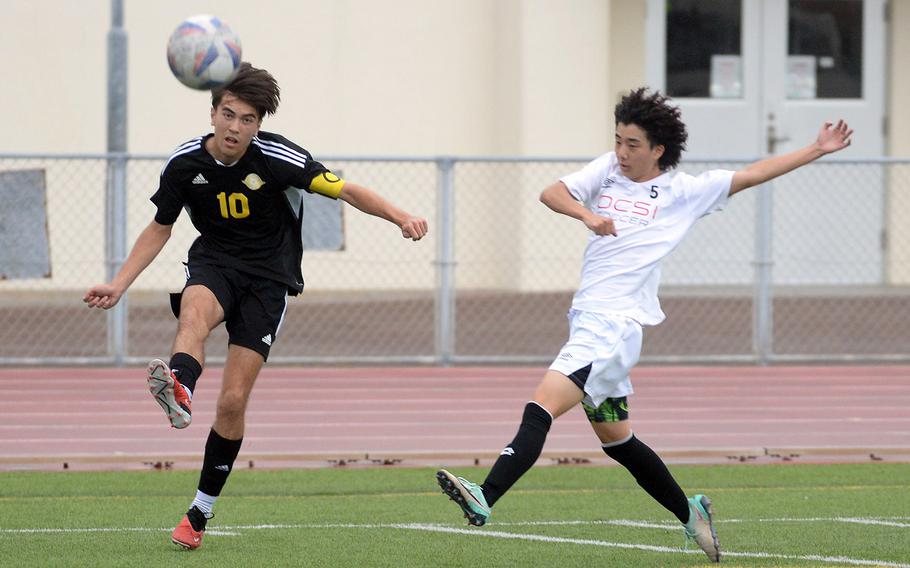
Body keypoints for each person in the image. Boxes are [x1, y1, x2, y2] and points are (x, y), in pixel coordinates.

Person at [436, 87, 852, 563]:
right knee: (619, 442)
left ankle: (486, 495)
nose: (621, 152)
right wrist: (587, 215)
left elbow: (752, 174)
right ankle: (690, 513)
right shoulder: (607, 171)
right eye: (618, 140)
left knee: (541, 407)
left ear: (658, 149)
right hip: (590, 321)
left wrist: (816, 149)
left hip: (612, 327)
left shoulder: (685, 193)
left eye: (633, 144)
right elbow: (551, 193)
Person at [83, 62, 428, 550]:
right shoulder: (185, 164)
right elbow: (160, 226)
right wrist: (119, 284)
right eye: (228, 114)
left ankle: (199, 512)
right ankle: (180, 385)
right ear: (212, 112)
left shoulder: (279, 158)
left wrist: (400, 216)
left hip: (269, 281)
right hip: (216, 264)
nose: (235, 127)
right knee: (194, 312)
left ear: (258, 124)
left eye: (247, 119)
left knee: (232, 402)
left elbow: (344, 189)